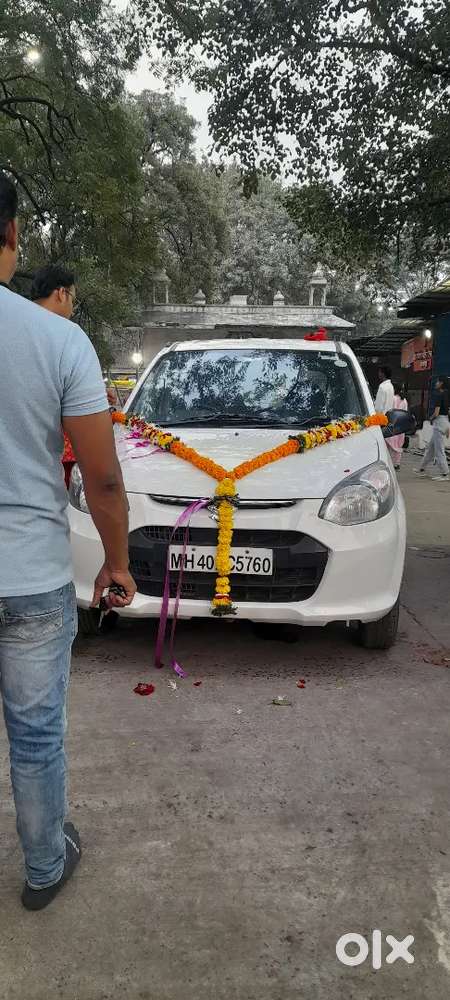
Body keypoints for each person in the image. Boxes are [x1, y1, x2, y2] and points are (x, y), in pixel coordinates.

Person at [0, 172, 136, 910]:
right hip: (29, 574)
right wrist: (116, 563)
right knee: (35, 736)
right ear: (13, 236)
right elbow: (103, 479)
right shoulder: (59, 339)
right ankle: (45, 866)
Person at [31, 264, 78, 484]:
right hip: (49, 453)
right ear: (61, 293)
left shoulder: (13, 323)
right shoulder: (65, 334)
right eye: (73, 300)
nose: (72, 309)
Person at [415, 375, 450, 481]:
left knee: (439, 450)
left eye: (438, 382)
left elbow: (436, 412)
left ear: (441, 384)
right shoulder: (447, 394)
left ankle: (445, 473)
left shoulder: (439, 395)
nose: (436, 383)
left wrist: (430, 418)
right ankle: (422, 468)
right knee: (431, 448)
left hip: (439, 423)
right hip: (444, 422)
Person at [387, 384, 408, 470]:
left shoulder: (393, 398)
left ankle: (388, 462)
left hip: (392, 423)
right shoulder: (404, 400)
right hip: (400, 424)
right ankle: (397, 463)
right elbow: (405, 412)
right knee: (398, 445)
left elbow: (389, 410)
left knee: (388, 443)